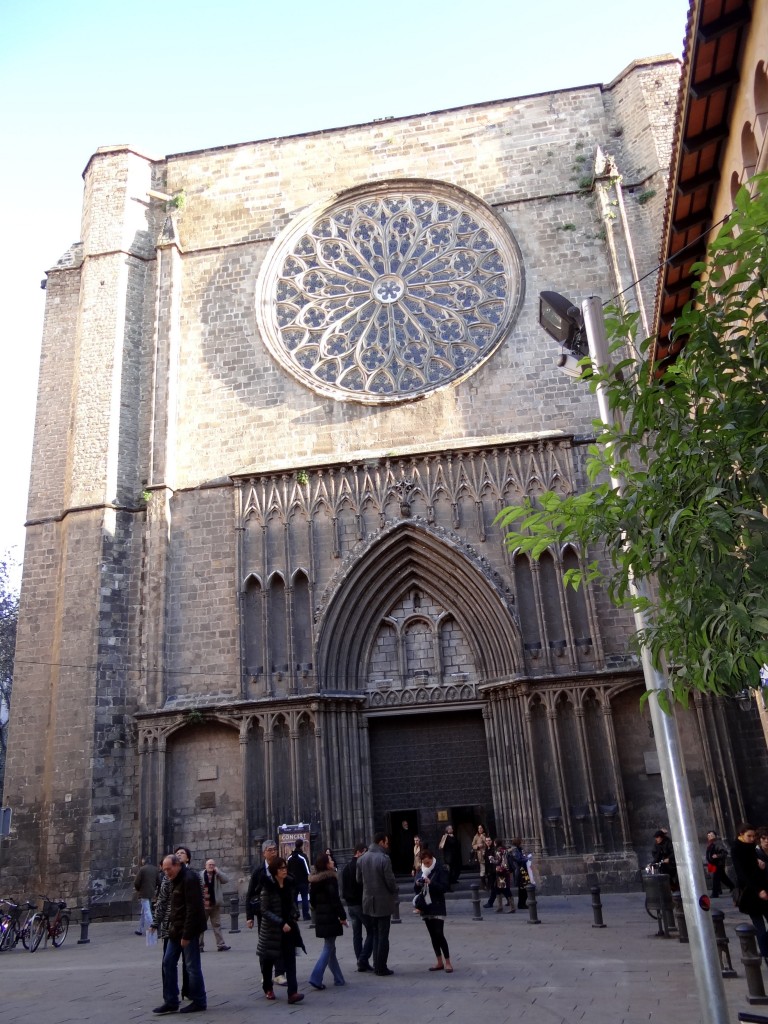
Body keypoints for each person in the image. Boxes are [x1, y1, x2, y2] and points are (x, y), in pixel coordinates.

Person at [152, 853, 207, 1015]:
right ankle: (171, 1001)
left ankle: (199, 1001)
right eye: (164, 870)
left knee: (191, 966)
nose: (166, 872)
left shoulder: (189, 879)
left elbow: (193, 909)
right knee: (168, 962)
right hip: (175, 929)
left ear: (178, 865)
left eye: (169, 869)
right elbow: (171, 905)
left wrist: (187, 935)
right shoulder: (173, 880)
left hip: (187, 931)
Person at [256, 856, 305, 1004]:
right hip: (272, 930)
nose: (285, 870)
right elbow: (264, 910)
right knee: (269, 960)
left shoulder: (289, 883)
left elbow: (291, 903)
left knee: (290, 960)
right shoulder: (268, 886)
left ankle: (292, 993)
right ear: (275, 871)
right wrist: (280, 922)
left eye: (285, 868)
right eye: (282, 868)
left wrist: (295, 913)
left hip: (288, 927)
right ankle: (268, 987)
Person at [246, 840, 288, 986]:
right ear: (263, 852)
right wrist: (249, 916)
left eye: (275, 849)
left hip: (280, 911)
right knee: (264, 945)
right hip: (263, 914)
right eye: (270, 850)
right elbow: (250, 894)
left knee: (280, 943)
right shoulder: (258, 871)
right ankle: (266, 973)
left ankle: (280, 973)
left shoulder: (281, 868)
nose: (273, 852)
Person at [357, 831, 398, 976]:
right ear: (381, 842)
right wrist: (394, 890)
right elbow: (390, 881)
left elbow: (359, 880)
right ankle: (381, 967)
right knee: (383, 935)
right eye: (386, 842)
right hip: (383, 902)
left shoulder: (361, 859)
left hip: (368, 902)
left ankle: (376, 964)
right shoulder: (384, 859)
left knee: (374, 933)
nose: (387, 845)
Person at [308, 852, 348, 989]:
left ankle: (339, 979)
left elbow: (312, 901)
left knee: (331, 948)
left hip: (321, 917)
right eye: (330, 860)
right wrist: (342, 917)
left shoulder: (315, 881)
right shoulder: (330, 879)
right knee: (328, 947)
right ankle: (316, 977)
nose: (333, 862)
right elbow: (335, 900)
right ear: (326, 864)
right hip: (330, 917)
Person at [731, 823, 768, 962]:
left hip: (761, 890)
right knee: (759, 926)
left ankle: (765, 949)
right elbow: (742, 874)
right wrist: (758, 890)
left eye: (754, 836)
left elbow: (753, 864)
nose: (752, 839)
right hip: (751, 893)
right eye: (749, 836)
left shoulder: (752, 847)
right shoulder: (736, 849)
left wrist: (758, 862)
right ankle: (765, 954)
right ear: (741, 834)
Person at [413, 846, 453, 972]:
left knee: (439, 933)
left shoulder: (440, 868)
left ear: (432, 859)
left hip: (437, 905)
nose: (426, 864)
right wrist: (417, 884)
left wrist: (431, 883)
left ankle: (448, 962)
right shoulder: (421, 870)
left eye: (428, 862)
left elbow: (445, 887)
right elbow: (416, 889)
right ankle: (439, 961)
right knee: (432, 935)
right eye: (424, 863)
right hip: (426, 906)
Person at [341, 842, 371, 970]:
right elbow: (362, 885)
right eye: (364, 852)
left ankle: (360, 960)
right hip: (359, 904)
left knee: (357, 934)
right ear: (358, 852)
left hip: (350, 905)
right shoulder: (360, 865)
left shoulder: (346, 867)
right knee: (372, 931)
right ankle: (363, 960)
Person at [199, 859, 231, 952]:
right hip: (203, 905)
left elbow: (226, 880)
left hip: (214, 905)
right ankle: (199, 946)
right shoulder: (200, 875)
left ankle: (221, 945)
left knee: (217, 925)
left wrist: (219, 872)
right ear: (205, 865)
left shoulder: (217, 875)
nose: (211, 866)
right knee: (201, 926)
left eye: (213, 865)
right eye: (209, 865)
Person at [134, 856, 159, 936]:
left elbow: (136, 882)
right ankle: (140, 929)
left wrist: (139, 889)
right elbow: (159, 881)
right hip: (151, 892)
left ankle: (153, 929)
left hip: (144, 893)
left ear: (144, 861)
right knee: (144, 911)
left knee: (147, 911)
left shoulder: (142, 869)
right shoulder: (155, 869)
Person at [287, 839, 312, 920]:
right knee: (304, 897)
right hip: (303, 881)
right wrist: (309, 878)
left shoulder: (290, 857)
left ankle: (295, 915)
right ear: (301, 845)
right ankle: (305, 915)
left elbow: (287, 870)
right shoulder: (303, 857)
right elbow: (307, 869)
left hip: (293, 881)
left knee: (294, 898)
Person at [705, 830, 734, 898]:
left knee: (716, 878)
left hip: (718, 864)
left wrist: (717, 856)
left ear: (715, 836)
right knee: (722, 877)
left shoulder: (717, 844)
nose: (710, 836)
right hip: (712, 864)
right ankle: (731, 887)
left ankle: (715, 893)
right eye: (708, 835)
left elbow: (724, 853)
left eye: (712, 835)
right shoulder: (710, 844)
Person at [507, 837, 531, 910]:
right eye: (521, 841)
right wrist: (527, 859)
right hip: (520, 870)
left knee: (524, 887)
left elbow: (520, 857)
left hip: (522, 870)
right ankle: (521, 904)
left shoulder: (518, 849)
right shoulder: (514, 850)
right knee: (522, 888)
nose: (522, 843)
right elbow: (518, 859)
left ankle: (522, 903)